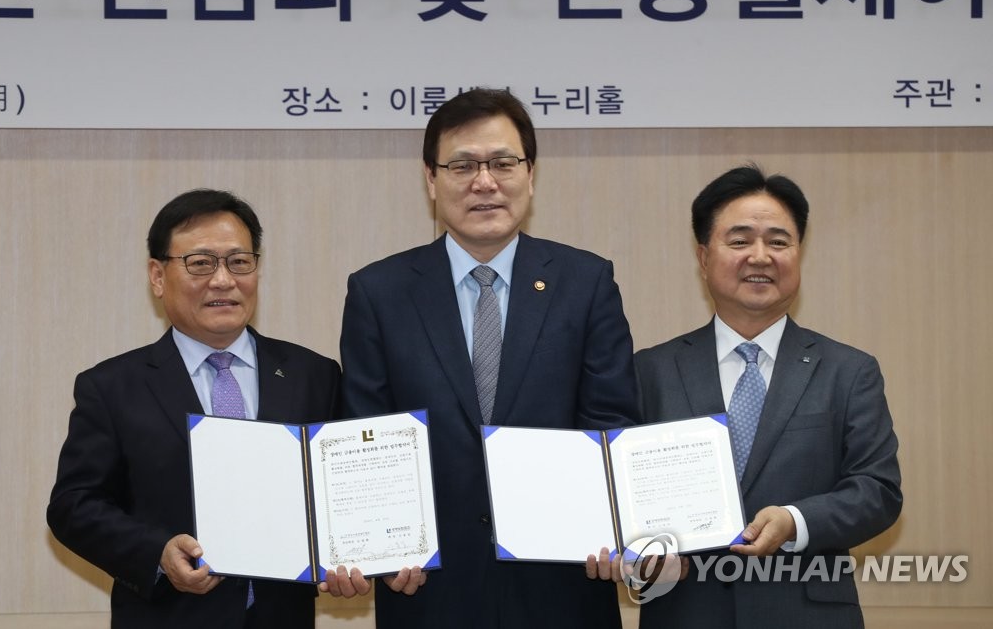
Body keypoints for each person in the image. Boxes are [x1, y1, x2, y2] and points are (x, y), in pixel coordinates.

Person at [339, 87, 640, 628]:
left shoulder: (586, 282)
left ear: (530, 173)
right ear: (431, 179)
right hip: (429, 592)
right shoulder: (378, 293)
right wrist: (380, 546)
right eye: (462, 166)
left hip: (562, 587)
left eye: (503, 163)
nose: (484, 182)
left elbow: (610, 421)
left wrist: (611, 526)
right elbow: (367, 435)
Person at [47, 188, 367, 629]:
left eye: (239, 261)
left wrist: (357, 555)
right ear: (157, 276)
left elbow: (344, 493)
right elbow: (73, 506)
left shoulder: (314, 374)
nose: (223, 280)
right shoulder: (112, 387)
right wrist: (157, 552)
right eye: (200, 263)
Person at [633, 164, 902, 628]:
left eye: (779, 242)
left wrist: (796, 521)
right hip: (686, 612)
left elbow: (878, 491)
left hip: (807, 615)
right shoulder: (650, 371)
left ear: (799, 254)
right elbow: (622, 496)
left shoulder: (849, 371)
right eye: (739, 241)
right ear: (703, 257)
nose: (760, 257)